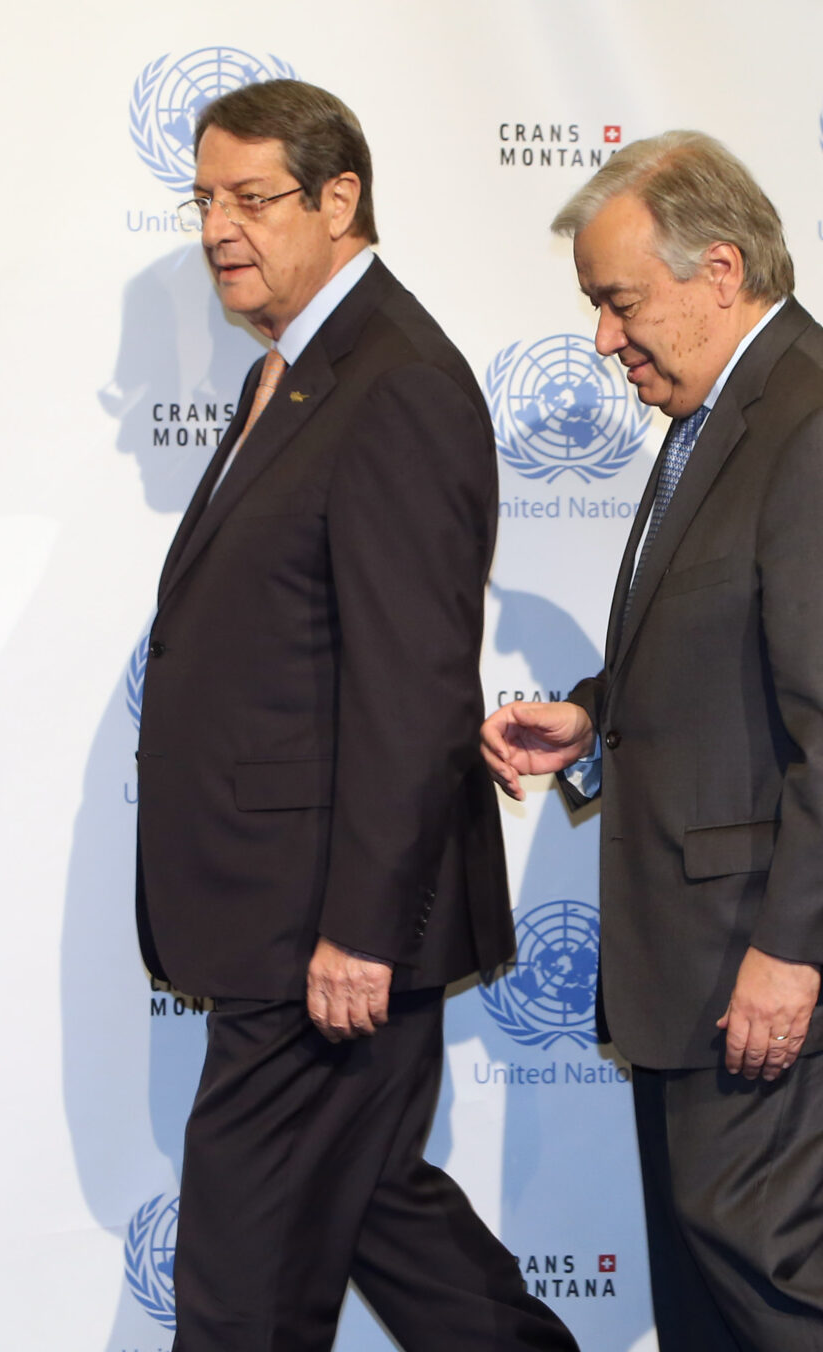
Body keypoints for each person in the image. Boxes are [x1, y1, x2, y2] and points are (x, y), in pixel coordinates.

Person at [479, 131, 823, 1352]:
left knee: (755, 1248)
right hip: (704, 940)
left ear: (719, 270)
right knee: (706, 1283)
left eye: (620, 302)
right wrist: (593, 713)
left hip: (780, 937)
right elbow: (732, 640)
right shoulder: (723, 416)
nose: (603, 339)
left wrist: (791, 948)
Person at [132, 79, 576, 1352]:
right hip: (289, 913)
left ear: (340, 199)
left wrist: (358, 931)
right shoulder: (299, 371)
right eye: (203, 201)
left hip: (318, 929)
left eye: (250, 198)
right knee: (382, 1213)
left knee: (241, 1287)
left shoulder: (393, 382)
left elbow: (411, 682)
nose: (218, 228)